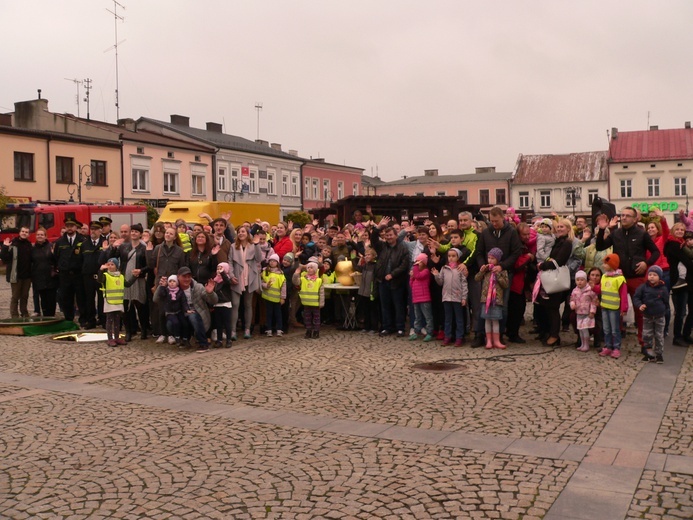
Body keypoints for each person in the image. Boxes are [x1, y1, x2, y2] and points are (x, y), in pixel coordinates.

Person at [596, 206, 660, 347]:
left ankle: (644, 343)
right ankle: (615, 342)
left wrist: (646, 263)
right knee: (615, 310)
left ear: (635, 218)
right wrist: (602, 230)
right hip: (618, 278)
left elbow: (656, 252)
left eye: (627, 215)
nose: (623, 218)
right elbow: (600, 246)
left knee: (640, 311)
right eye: (622, 215)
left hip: (636, 277)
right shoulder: (616, 234)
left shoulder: (642, 234)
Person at [473, 207, 522, 347]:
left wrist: (502, 266)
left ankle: (499, 335)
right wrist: (483, 266)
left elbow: (516, 252)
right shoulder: (486, 233)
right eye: (492, 221)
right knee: (485, 304)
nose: (494, 223)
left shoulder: (511, 232)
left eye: (496, 221)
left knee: (503, 305)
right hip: (488, 275)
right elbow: (479, 252)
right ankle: (482, 335)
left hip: (504, 273)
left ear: (502, 218)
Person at [154, 266, 217, 352]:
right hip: (180, 313)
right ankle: (184, 339)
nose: (187, 279)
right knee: (170, 323)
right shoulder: (173, 288)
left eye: (189, 277)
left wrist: (210, 293)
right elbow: (155, 299)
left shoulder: (198, 287)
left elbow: (213, 301)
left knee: (192, 316)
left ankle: (203, 343)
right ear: (178, 277)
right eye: (184, 277)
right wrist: (160, 287)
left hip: (198, 314)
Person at [536, 219, 574, 347]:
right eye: (558, 226)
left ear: (568, 229)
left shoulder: (567, 243)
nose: (559, 228)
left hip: (556, 278)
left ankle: (554, 335)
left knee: (553, 307)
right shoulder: (557, 241)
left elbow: (559, 261)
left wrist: (542, 265)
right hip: (550, 277)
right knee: (548, 307)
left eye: (562, 226)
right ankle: (549, 332)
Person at [370, 220, 410, 337]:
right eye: (386, 235)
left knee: (398, 306)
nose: (389, 237)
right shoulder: (382, 247)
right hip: (382, 281)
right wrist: (378, 227)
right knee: (385, 305)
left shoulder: (402, 248)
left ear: (396, 236)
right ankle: (387, 327)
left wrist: (393, 274)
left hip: (397, 281)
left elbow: (404, 264)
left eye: (391, 235)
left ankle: (400, 328)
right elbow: (373, 239)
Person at [228, 226, 262, 340]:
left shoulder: (253, 245)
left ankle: (247, 329)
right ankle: (232, 330)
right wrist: (231, 276)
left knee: (248, 305)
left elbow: (259, 258)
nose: (241, 234)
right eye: (239, 232)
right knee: (235, 305)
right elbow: (230, 263)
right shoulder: (233, 246)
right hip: (237, 278)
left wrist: (257, 245)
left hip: (250, 277)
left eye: (243, 232)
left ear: (247, 234)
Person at [506, 223, 536, 343]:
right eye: (525, 234)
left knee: (518, 308)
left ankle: (512, 332)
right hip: (515, 282)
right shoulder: (517, 246)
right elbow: (517, 264)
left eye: (529, 234)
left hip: (520, 282)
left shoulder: (522, 245)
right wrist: (528, 257)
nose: (528, 236)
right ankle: (512, 333)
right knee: (517, 309)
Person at [432, 248, 468, 346]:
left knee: (459, 318)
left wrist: (464, 297)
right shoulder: (444, 268)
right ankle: (447, 336)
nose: (451, 258)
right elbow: (440, 282)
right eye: (449, 256)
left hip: (457, 297)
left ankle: (459, 337)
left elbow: (464, 284)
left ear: (458, 257)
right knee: (448, 318)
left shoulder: (460, 269)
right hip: (446, 297)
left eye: (453, 256)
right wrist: (436, 275)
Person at [53, 217, 86, 324]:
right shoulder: (59, 242)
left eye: (72, 226)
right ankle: (68, 318)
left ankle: (83, 319)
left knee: (81, 297)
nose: (70, 228)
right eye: (67, 226)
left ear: (76, 227)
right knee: (66, 298)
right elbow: (56, 257)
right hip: (65, 274)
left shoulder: (83, 240)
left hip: (79, 274)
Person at [633, 265, 669, 363]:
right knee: (647, 335)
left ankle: (659, 354)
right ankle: (649, 354)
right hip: (647, 316)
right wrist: (640, 305)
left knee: (659, 336)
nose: (652, 277)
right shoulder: (643, 287)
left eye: (654, 275)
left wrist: (663, 310)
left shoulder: (663, 289)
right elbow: (636, 297)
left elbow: (666, 302)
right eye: (650, 274)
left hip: (659, 316)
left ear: (660, 277)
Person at [475, 247, 509, 349]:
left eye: (492, 258)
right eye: (489, 258)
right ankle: (488, 341)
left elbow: (505, 284)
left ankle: (497, 340)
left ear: (498, 260)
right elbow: (476, 278)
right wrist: (481, 271)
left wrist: (498, 274)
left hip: (496, 300)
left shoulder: (502, 271)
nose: (490, 260)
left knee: (495, 320)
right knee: (487, 320)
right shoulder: (486, 271)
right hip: (485, 299)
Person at [98, 257, 137, 347]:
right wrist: (101, 270)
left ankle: (116, 337)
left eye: (113, 264)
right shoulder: (106, 275)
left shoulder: (121, 276)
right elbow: (100, 279)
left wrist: (134, 276)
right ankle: (110, 338)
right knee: (109, 320)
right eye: (109, 265)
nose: (111, 266)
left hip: (118, 301)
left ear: (117, 266)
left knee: (117, 320)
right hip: (109, 301)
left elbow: (127, 284)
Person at [599, 253, 629, 359]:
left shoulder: (619, 279)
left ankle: (616, 348)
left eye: (605, 264)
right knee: (606, 329)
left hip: (614, 308)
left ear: (612, 264)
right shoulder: (604, 276)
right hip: (605, 306)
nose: (603, 266)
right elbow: (602, 290)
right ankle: (608, 346)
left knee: (615, 329)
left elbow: (623, 295)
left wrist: (624, 308)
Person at [664, 223, 689, 345]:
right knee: (680, 311)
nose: (680, 231)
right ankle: (677, 337)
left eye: (682, 230)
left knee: (684, 310)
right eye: (677, 229)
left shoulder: (682, 244)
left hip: (686, 281)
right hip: (678, 282)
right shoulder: (673, 245)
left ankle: (685, 334)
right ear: (673, 231)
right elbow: (686, 261)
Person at [1, 226, 33, 319]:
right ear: (19, 232)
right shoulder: (13, 243)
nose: (24, 233)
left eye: (26, 232)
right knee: (15, 297)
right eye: (22, 231)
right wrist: (5, 247)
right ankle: (14, 315)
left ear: (28, 234)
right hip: (15, 275)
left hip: (27, 276)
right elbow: (5, 258)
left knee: (25, 296)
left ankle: (24, 313)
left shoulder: (29, 244)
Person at [80, 221, 107, 329]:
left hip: (101, 276)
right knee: (89, 299)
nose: (93, 231)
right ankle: (91, 321)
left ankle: (103, 320)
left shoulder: (104, 243)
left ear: (100, 231)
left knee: (102, 299)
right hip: (88, 276)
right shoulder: (85, 244)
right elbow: (81, 260)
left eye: (96, 229)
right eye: (92, 229)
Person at [292, 261, 325, 338]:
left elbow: (321, 293)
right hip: (306, 302)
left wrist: (321, 303)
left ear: (315, 270)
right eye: (308, 268)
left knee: (316, 318)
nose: (310, 269)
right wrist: (296, 274)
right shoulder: (303, 279)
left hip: (315, 303)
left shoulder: (319, 280)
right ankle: (308, 330)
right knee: (307, 318)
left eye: (312, 268)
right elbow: (295, 282)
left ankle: (316, 331)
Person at [30, 227, 57, 317]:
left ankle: (51, 317)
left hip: (50, 278)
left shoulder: (51, 247)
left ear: (45, 236)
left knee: (51, 299)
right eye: (38, 235)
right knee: (43, 300)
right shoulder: (33, 249)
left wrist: (54, 254)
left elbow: (56, 261)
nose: (40, 236)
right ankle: (46, 317)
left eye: (42, 234)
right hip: (39, 278)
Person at [570, 270, 598, 352]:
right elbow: (572, 299)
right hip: (579, 312)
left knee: (585, 329)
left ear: (586, 280)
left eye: (582, 280)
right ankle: (582, 343)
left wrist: (592, 311)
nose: (580, 282)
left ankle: (586, 344)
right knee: (580, 330)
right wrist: (572, 304)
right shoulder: (575, 291)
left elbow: (594, 301)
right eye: (578, 280)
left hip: (587, 313)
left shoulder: (590, 290)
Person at [409, 253, 434, 342]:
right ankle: (416, 331)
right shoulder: (416, 274)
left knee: (427, 316)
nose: (417, 264)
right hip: (416, 298)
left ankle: (430, 332)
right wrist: (411, 277)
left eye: (419, 262)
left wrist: (414, 268)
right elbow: (411, 284)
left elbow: (419, 276)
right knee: (417, 316)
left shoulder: (426, 271)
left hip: (424, 298)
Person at [260, 254, 286, 337]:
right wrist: (265, 286)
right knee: (268, 314)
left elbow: (283, 286)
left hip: (277, 298)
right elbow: (261, 282)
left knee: (278, 314)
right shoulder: (265, 272)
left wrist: (283, 297)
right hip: (267, 297)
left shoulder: (280, 273)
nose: (272, 262)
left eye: (274, 261)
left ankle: (279, 329)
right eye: (270, 261)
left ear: (277, 263)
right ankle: (269, 329)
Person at [355, 247, 378, 334]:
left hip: (371, 291)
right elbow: (356, 267)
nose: (367, 256)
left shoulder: (375, 266)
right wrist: (354, 257)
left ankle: (374, 327)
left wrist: (374, 291)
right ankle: (366, 326)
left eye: (369, 255)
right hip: (363, 291)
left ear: (373, 256)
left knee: (373, 310)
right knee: (365, 310)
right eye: (366, 255)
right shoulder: (365, 265)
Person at [211, 263, 234, 348]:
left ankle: (229, 339)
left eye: (221, 268)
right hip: (217, 304)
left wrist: (223, 273)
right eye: (218, 268)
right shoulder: (215, 280)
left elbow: (228, 282)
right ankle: (219, 340)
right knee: (218, 324)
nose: (219, 270)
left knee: (227, 323)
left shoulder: (226, 279)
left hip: (225, 304)